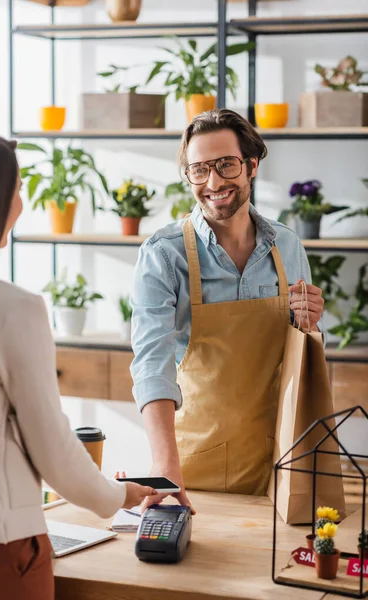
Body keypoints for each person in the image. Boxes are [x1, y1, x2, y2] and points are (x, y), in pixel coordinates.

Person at [0, 126, 157, 600]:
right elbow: (54, 452)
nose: (24, 201)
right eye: (17, 188)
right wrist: (117, 496)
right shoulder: (11, 310)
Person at [130, 109, 325, 513]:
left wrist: (309, 323)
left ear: (251, 165)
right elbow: (151, 362)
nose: (214, 182)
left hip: (281, 464)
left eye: (226, 165)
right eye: (199, 170)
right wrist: (165, 464)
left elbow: (298, 356)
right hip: (193, 470)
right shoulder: (164, 254)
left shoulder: (287, 246)